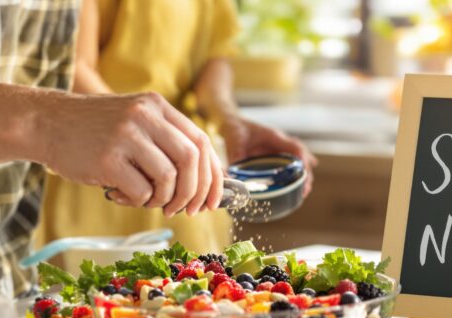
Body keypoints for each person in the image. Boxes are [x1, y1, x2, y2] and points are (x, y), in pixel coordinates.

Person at [0, 1, 221, 318]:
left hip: (6, 304)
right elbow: (53, 114)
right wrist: (48, 123)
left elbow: (68, 72)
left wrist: (143, 139)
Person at [36, 0, 316, 252]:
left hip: (188, 169)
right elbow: (74, 66)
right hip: (102, 175)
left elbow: (215, 58)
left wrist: (229, 121)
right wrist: (139, 135)